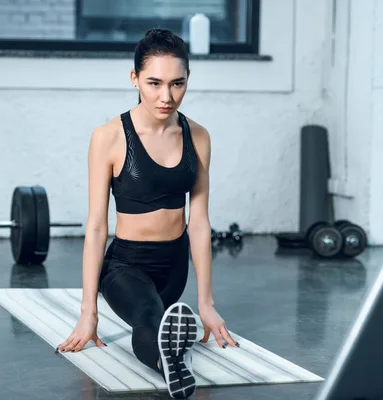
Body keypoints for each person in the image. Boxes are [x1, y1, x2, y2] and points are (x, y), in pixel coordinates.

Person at [55, 28, 238, 399]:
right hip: (125, 266)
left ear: (188, 81)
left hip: (174, 266)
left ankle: (170, 343)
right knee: (147, 316)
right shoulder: (109, 136)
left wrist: (207, 304)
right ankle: (169, 366)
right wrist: (88, 310)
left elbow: (199, 224)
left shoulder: (198, 135)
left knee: (158, 314)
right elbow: (95, 226)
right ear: (134, 78)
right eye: (154, 83)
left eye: (177, 84)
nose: (166, 96)